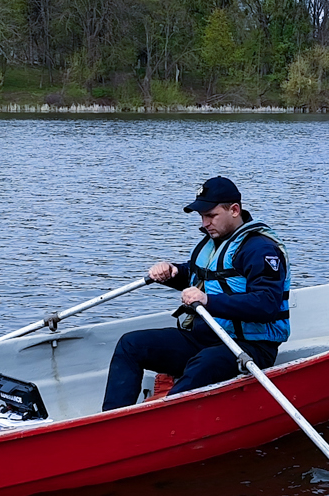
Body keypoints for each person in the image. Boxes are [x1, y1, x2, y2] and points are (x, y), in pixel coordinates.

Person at [100, 176, 291, 411]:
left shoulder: (260, 249)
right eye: (202, 216)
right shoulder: (214, 242)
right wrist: (172, 272)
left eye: (211, 215)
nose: (205, 223)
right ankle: (113, 418)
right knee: (131, 344)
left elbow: (267, 304)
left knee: (204, 364)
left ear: (234, 210)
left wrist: (207, 301)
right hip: (206, 338)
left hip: (250, 346)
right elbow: (201, 277)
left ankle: (161, 419)